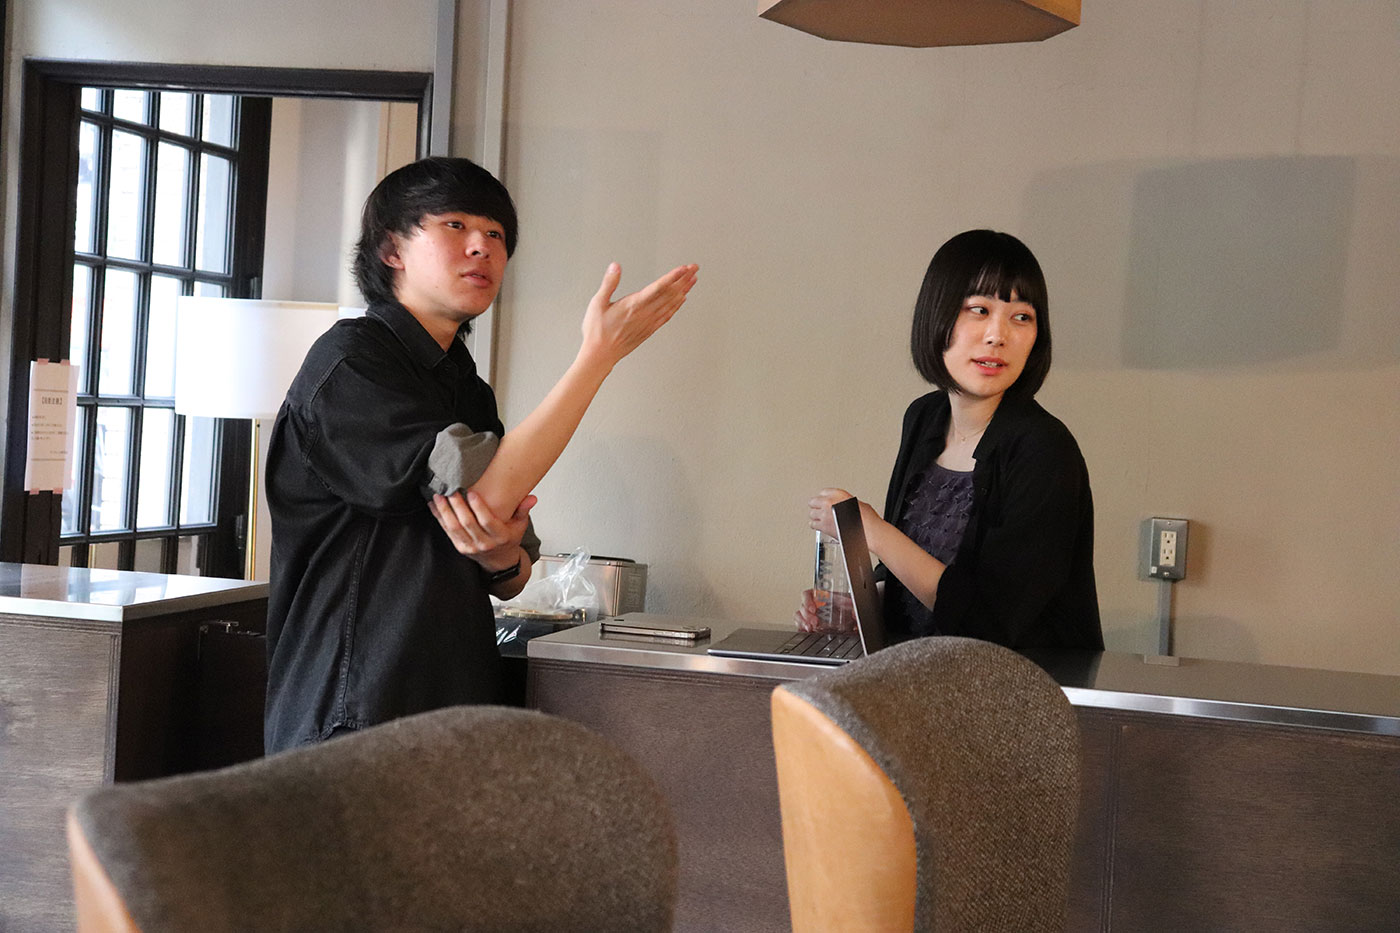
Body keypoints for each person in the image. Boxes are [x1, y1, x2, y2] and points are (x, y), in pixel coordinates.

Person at [264, 156, 698, 752]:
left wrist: (499, 557)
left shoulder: (464, 385)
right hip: (355, 706)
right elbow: (490, 493)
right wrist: (597, 356)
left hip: (447, 701)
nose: (482, 247)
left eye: (495, 234)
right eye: (456, 226)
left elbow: (514, 572)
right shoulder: (351, 362)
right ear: (392, 250)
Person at [798, 229, 1102, 650]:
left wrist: (870, 530)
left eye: (1021, 317)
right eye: (979, 310)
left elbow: (989, 624)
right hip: (923, 670)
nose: (997, 335)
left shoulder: (1044, 449)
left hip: (1019, 683)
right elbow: (919, 573)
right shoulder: (925, 417)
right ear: (936, 316)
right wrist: (866, 607)